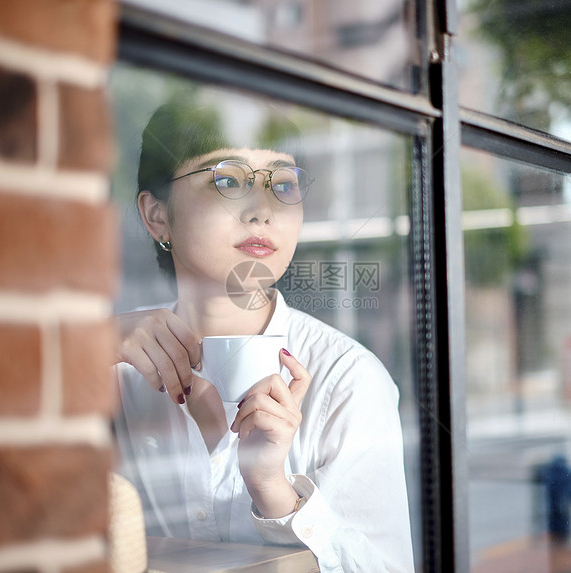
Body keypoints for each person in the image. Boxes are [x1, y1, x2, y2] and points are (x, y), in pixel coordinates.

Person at [112, 101, 415, 573]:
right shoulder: (112, 366)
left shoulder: (347, 379)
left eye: (283, 183)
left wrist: (275, 492)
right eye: (228, 180)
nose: (263, 210)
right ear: (157, 216)